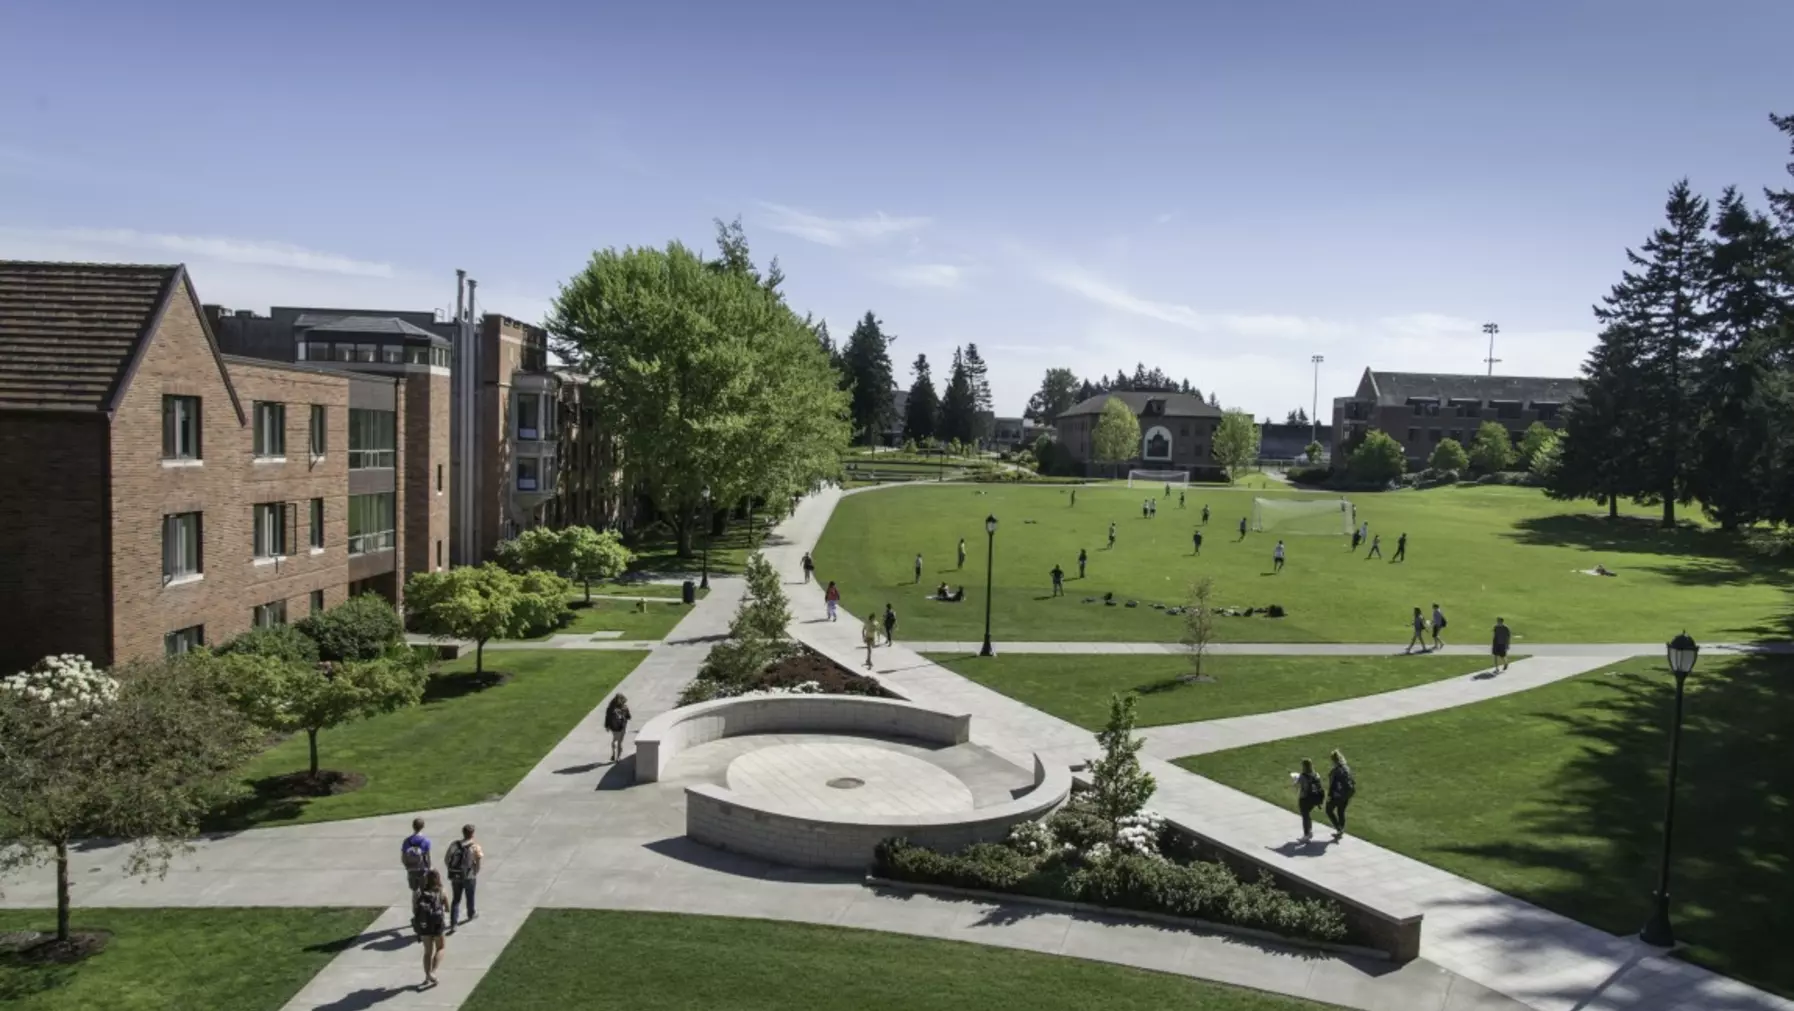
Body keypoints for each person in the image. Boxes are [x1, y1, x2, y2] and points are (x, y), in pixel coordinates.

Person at [413, 869, 449, 986]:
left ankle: (427, 976)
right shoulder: (441, 891)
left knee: (427, 952)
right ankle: (433, 972)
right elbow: (447, 908)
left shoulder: (419, 893)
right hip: (437, 924)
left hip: (424, 925)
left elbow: (415, 909)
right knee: (441, 948)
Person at [444, 824, 483, 931]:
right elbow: (478, 862)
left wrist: (452, 869)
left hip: (455, 876)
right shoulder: (475, 847)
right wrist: (475, 872)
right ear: (472, 834)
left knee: (456, 899)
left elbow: (447, 859)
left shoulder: (454, 845)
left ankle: (453, 923)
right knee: (470, 896)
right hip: (469, 876)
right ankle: (471, 914)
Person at [1326, 750, 1356, 842]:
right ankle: (1341, 829)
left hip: (1338, 794)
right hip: (1347, 793)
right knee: (1341, 811)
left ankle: (1339, 828)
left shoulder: (1335, 771)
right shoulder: (1346, 768)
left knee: (1329, 809)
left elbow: (1332, 785)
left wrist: (1329, 796)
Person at [1293, 758, 1325, 842]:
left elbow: (1296, 785)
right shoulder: (1316, 774)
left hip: (1304, 798)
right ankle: (1309, 831)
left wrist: (1295, 779)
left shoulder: (1303, 776)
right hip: (1314, 798)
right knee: (1307, 815)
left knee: (1305, 816)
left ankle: (1306, 834)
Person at [401, 818, 431, 894]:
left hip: (411, 869)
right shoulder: (426, 840)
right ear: (423, 826)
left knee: (415, 891)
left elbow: (403, 857)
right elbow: (428, 857)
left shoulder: (407, 841)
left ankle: (415, 904)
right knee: (424, 891)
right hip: (422, 869)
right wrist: (429, 868)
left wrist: (407, 866)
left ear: (413, 826)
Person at [604, 694, 631, 762]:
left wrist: (607, 726)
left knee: (615, 739)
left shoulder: (610, 709)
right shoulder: (625, 708)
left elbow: (607, 718)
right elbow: (629, 717)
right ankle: (618, 757)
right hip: (622, 726)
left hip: (613, 727)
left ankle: (613, 754)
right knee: (620, 742)